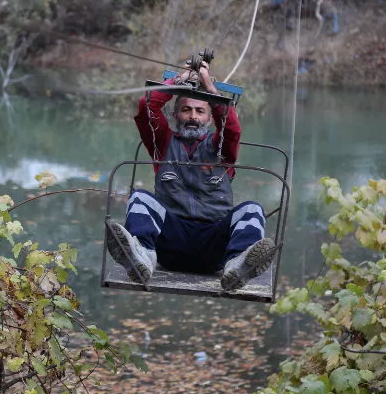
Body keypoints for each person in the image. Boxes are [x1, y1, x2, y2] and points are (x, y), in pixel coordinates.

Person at [107, 60, 276, 291]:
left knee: (253, 209)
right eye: (186, 110)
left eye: (200, 111)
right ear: (176, 115)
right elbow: (146, 107)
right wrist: (178, 81)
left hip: (214, 245)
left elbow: (232, 128)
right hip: (171, 242)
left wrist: (211, 91)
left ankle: (238, 265)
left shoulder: (221, 150)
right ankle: (141, 256)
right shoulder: (163, 143)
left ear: (209, 118)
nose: (193, 116)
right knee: (139, 198)